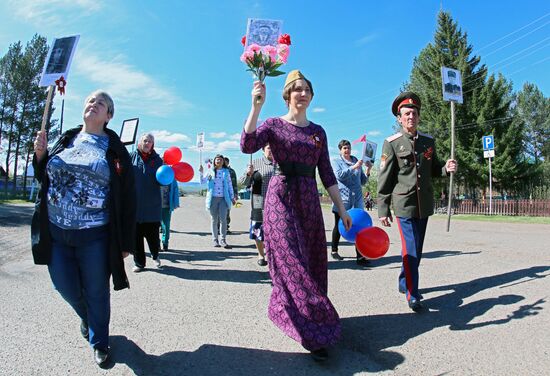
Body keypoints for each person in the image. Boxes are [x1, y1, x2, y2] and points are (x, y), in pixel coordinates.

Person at [241, 70, 352, 361]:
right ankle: (315, 331)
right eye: (296, 89)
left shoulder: (318, 132)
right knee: (291, 261)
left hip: (309, 200)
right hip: (280, 198)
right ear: (287, 94)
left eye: (306, 90)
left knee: (313, 261)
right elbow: (247, 145)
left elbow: (327, 174)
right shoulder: (274, 125)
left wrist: (341, 209)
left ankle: (299, 312)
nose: (302, 93)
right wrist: (256, 105)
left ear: (312, 96)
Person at [31, 90, 136, 367]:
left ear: (109, 116)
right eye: (90, 101)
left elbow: (127, 197)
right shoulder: (66, 139)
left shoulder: (114, 149)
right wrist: (40, 155)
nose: (93, 105)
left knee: (96, 291)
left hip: (95, 236)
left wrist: (126, 241)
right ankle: (89, 319)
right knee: (65, 286)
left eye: (100, 103)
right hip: (56, 232)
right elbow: (44, 176)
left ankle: (100, 342)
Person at [377, 91, 457, 312]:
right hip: (404, 205)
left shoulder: (428, 142)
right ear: (399, 118)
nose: (410, 116)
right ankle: (413, 295)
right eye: (406, 114)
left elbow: (435, 170)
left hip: (424, 204)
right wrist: (383, 208)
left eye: (414, 113)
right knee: (410, 249)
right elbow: (386, 177)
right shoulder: (391, 143)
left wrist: (447, 169)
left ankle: (405, 281)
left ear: (419, 116)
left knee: (417, 251)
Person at [330, 139, 372, 265]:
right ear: (340, 150)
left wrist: (368, 169)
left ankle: (360, 256)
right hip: (343, 199)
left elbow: (363, 181)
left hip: (357, 200)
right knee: (338, 225)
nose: (347, 150)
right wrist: (354, 167)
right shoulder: (336, 161)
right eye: (344, 148)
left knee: (359, 227)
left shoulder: (356, 160)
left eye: (348, 148)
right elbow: (339, 175)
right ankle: (334, 250)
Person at [130, 133, 163, 272]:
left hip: (152, 205)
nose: (147, 143)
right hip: (135, 205)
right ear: (140, 142)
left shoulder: (158, 160)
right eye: (145, 140)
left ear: (153, 144)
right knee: (136, 238)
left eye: (150, 141)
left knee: (153, 237)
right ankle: (139, 263)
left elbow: (163, 180)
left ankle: (155, 255)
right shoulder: (130, 157)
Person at [240, 144, 276, 266]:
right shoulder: (255, 163)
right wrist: (248, 174)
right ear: (262, 150)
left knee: (276, 230)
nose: (272, 150)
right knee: (258, 228)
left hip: (277, 202)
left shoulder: (281, 162)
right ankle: (261, 255)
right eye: (269, 148)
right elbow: (243, 183)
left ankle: (274, 256)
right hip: (258, 200)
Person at [199, 154, 235, 248]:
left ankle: (223, 240)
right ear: (214, 161)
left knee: (223, 219)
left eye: (220, 160)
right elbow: (202, 181)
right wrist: (201, 172)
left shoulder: (226, 172)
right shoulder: (210, 171)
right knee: (214, 220)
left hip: (224, 199)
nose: (218, 161)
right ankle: (215, 239)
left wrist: (232, 197)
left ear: (223, 162)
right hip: (213, 198)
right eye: (217, 160)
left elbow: (230, 185)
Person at [160, 177, 180, 251]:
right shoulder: (154, 173)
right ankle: (156, 244)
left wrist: (175, 203)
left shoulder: (171, 176)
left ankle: (165, 243)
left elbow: (175, 189)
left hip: (167, 206)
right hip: (155, 206)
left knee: (166, 226)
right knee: (154, 227)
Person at [223, 157, 238, 233]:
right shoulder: (219, 170)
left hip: (229, 194)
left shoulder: (231, 171)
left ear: (228, 163)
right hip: (220, 194)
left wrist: (235, 194)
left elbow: (234, 183)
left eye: (225, 162)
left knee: (227, 211)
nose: (223, 163)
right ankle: (219, 227)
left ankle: (226, 227)